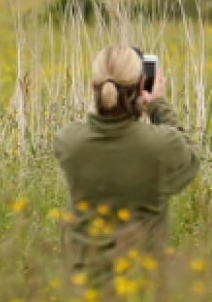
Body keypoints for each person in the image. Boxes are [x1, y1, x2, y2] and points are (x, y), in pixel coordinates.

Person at [53, 46, 200, 287]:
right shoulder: (161, 145)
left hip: (82, 284)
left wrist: (107, 107)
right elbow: (189, 159)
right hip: (141, 283)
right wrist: (157, 105)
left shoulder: (68, 141)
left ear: (94, 88)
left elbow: (96, 128)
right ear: (143, 85)